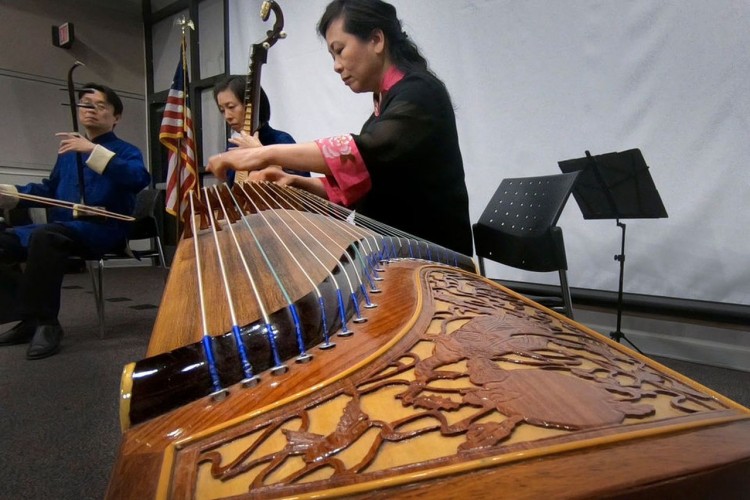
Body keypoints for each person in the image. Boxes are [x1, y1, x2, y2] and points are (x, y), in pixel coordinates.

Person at [207, 0, 473, 256]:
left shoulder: (419, 93)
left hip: (436, 262)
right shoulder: (387, 103)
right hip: (397, 250)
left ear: (376, 40)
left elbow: (367, 151)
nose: (336, 65)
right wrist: (299, 183)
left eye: (340, 49)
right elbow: (367, 181)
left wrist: (263, 154)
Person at [0, 82, 150, 359]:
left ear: (116, 116)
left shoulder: (125, 151)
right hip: (62, 229)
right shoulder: (68, 152)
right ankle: (27, 317)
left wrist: (91, 150)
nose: (90, 109)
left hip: (103, 230)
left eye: (100, 105)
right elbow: (49, 190)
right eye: (84, 104)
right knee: (5, 240)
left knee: (46, 236)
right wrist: (12, 194)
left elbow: (139, 178)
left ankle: (47, 323)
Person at [212, 76, 309, 182]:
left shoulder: (281, 141)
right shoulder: (233, 146)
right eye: (222, 110)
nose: (227, 116)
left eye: (231, 107)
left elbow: (301, 188)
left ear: (252, 106)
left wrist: (261, 153)